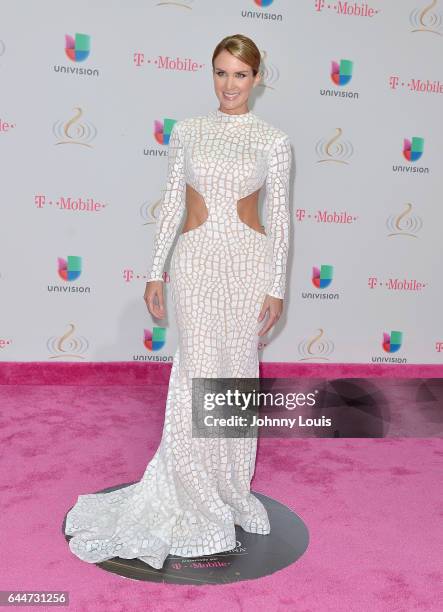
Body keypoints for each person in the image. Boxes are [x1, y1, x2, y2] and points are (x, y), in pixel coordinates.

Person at [64, 33, 292, 570]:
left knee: (236, 375)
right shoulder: (188, 131)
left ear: (257, 79)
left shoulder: (273, 140)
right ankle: (190, 486)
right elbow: (170, 207)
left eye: (240, 74)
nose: (229, 84)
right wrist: (154, 272)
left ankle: (231, 487)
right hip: (194, 266)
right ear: (210, 74)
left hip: (248, 266)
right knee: (196, 373)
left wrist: (276, 285)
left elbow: (280, 219)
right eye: (220, 72)